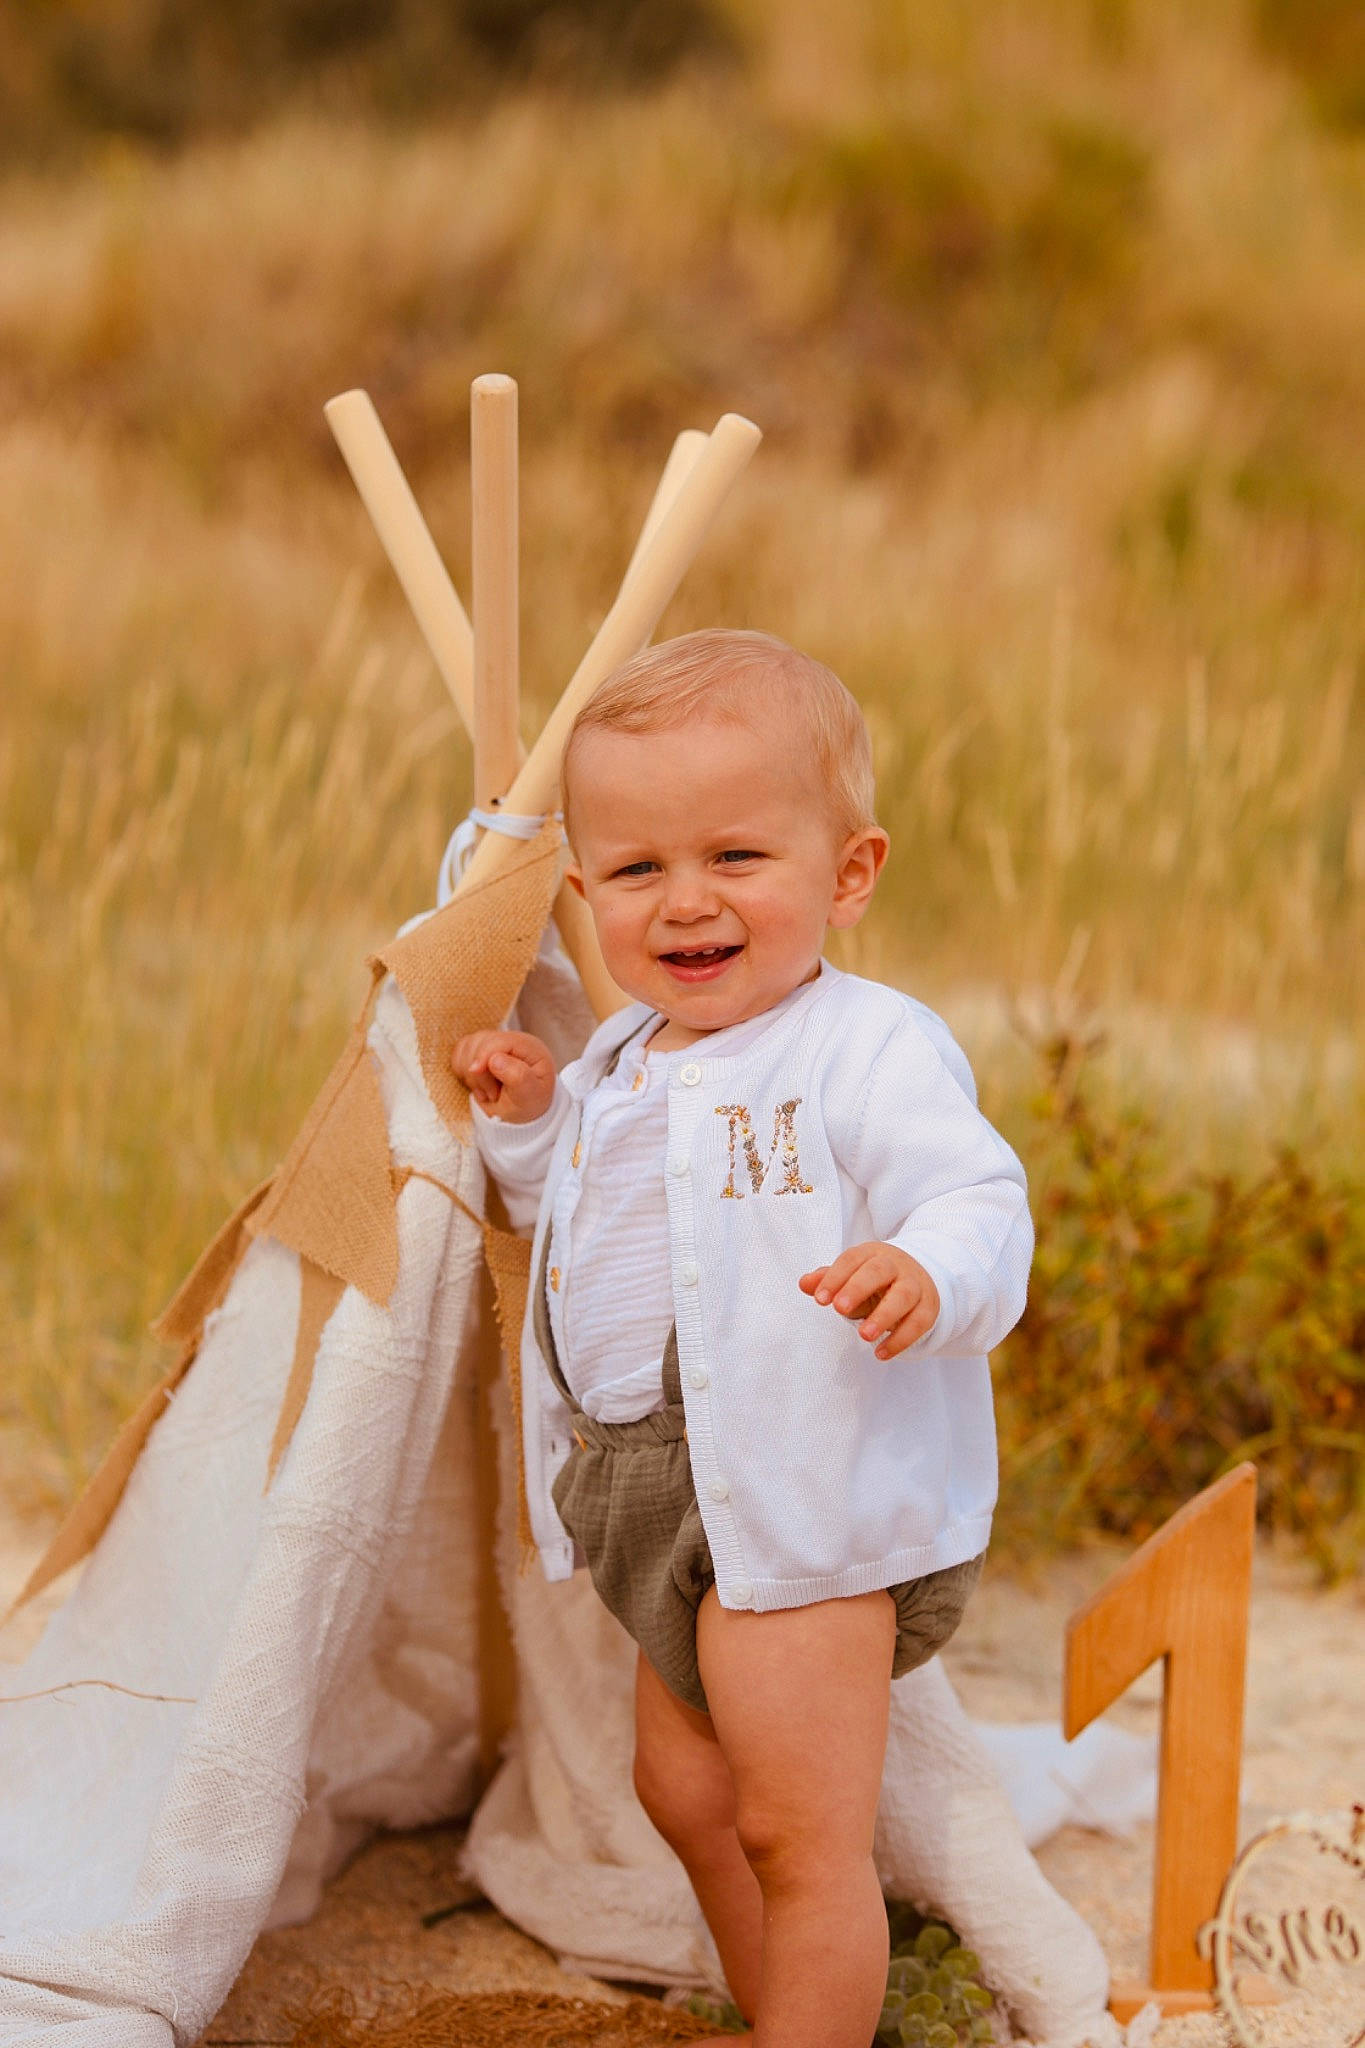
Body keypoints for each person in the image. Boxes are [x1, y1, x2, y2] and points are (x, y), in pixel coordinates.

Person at [451, 628, 1032, 2048]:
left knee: (789, 1822)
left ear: (846, 875)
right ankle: (783, 2013)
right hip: (645, 1484)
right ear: (584, 894)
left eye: (735, 858)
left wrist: (924, 1269)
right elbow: (583, 1227)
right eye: (638, 870)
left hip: (798, 1474)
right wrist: (529, 1126)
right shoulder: (616, 1056)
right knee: (689, 1798)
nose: (684, 902)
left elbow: (976, 1192)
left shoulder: (860, 1046)